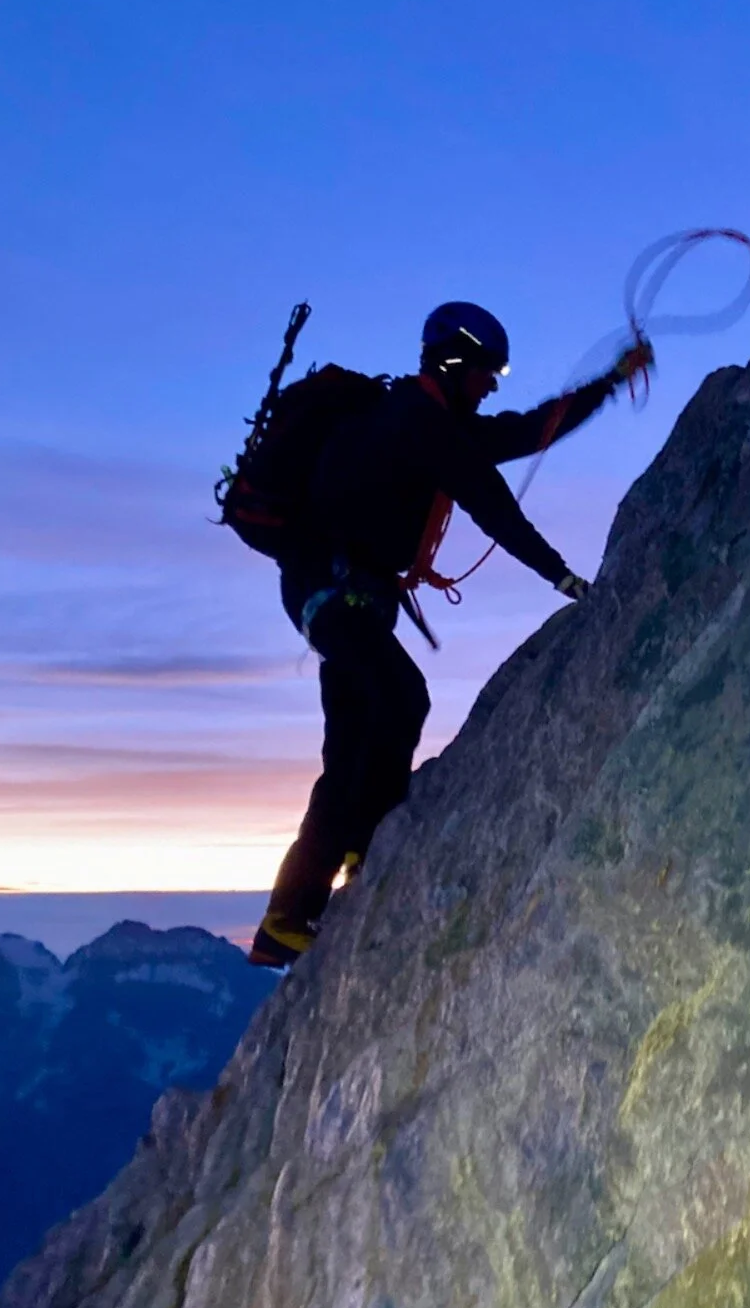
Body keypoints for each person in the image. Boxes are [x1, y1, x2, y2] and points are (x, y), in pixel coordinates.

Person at [248, 301, 652, 967]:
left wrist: (609, 383)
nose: (493, 384)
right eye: (490, 371)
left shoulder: (428, 420)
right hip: (338, 589)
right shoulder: (418, 420)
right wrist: (561, 575)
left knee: (361, 730)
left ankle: (296, 910)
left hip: (333, 591)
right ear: (457, 361)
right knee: (398, 699)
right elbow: (491, 502)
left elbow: (527, 433)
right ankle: (348, 860)